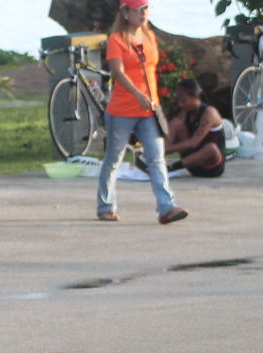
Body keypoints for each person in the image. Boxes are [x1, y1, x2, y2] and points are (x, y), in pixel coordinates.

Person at [95, 0, 188, 225]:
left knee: (156, 159)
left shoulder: (149, 37)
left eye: (146, 8)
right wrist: (137, 94)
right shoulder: (117, 40)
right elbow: (117, 72)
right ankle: (106, 206)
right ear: (125, 13)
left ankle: (166, 207)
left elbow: (150, 70)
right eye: (138, 10)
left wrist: (151, 100)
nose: (143, 13)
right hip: (122, 110)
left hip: (149, 110)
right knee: (114, 158)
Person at [163, 78, 226, 178]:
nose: (180, 104)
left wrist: (167, 149)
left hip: (212, 166)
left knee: (211, 148)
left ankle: (170, 167)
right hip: (193, 165)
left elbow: (193, 143)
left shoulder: (209, 113)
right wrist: (163, 148)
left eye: (183, 100)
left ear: (195, 96)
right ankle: (158, 160)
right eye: (179, 101)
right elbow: (174, 128)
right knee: (175, 123)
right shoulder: (185, 112)